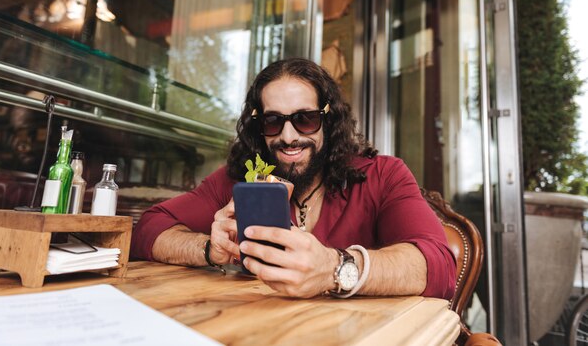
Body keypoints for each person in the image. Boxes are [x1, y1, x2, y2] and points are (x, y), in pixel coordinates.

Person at [131, 58, 456, 300]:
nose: (288, 137)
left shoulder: (383, 175)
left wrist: (334, 267)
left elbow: (440, 267)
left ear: (328, 121)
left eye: (305, 119)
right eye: (274, 121)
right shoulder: (239, 181)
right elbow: (149, 228)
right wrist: (209, 249)